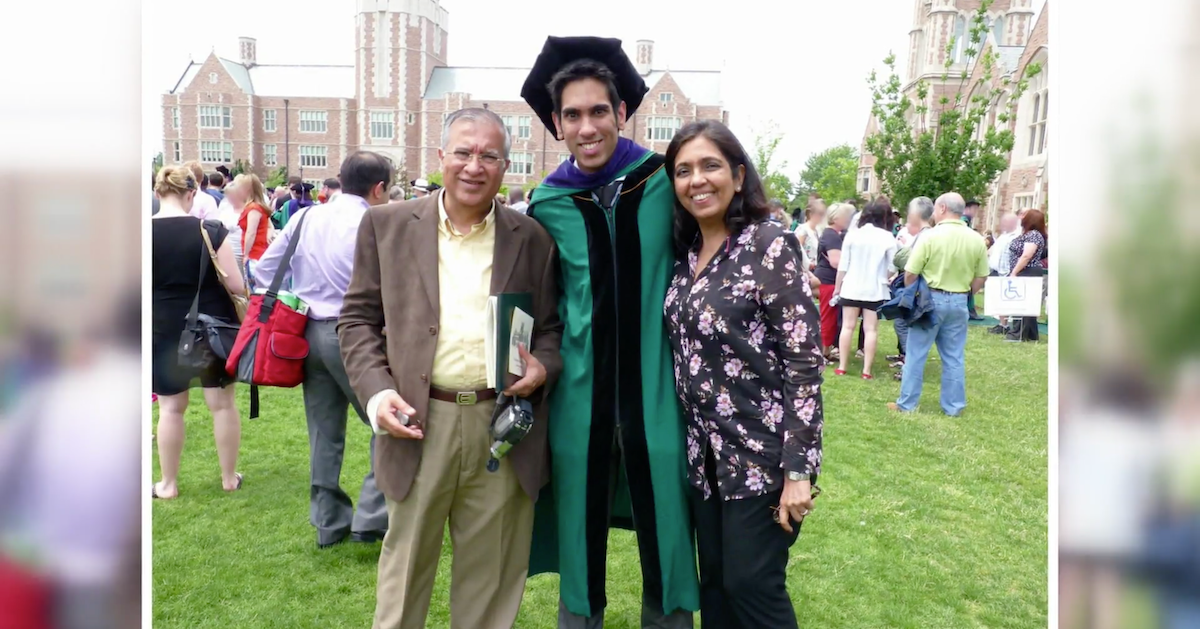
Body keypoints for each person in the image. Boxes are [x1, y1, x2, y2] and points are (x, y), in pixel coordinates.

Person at [338, 108, 563, 629]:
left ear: (507, 165)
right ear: (440, 157)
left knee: (490, 584)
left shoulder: (531, 238)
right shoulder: (386, 225)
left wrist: (542, 368)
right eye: (462, 152)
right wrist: (376, 395)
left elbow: (551, 328)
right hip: (418, 421)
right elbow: (356, 321)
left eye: (489, 155)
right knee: (404, 578)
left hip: (500, 427)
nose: (474, 166)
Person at [519, 36, 700, 627]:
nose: (587, 126)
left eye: (600, 110)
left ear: (622, 112)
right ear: (556, 123)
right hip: (579, 393)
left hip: (660, 390)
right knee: (577, 523)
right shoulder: (548, 202)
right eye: (572, 114)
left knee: (668, 524)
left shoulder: (666, 183)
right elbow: (533, 298)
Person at [662, 119, 823, 629]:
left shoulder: (769, 245)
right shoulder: (687, 255)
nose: (697, 180)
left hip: (762, 458)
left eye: (710, 165)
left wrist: (798, 472)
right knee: (716, 587)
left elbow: (803, 362)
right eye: (683, 170)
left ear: (736, 174)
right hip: (704, 458)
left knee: (752, 588)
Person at [253, 152, 393, 549]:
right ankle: (371, 516)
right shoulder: (373, 221)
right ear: (379, 188)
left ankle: (329, 524)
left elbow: (264, 271)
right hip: (355, 334)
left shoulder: (305, 216)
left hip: (305, 332)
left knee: (323, 433)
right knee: (388, 423)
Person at [150, 165, 246, 499]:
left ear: (158, 193)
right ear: (191, 194)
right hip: (211, 326)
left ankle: (168, 483)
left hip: (163, 326)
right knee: (222, 405)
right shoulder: (212, 230)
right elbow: (236, 284)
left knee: (170, 408)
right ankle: (228, 477)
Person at [888, 192, 988, 416]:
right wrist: (966, 292)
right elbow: (982, 275)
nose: (933, 212)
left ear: (942, 208)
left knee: (916, 354)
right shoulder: (976, 238)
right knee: (953, 356)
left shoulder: (930, 236)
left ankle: (907, 404)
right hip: (960, 300)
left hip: (930, 300)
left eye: (935, 208)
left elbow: (911, 272)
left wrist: (913, 292)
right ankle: (953, 407)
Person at [832, 199, 898, 379]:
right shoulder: (887, 237)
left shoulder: (853, 235)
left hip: (851, 286)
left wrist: (837, 288)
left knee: (847, 326)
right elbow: (894, 265)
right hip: (875, 288)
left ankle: (842, 366)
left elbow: (843, 266)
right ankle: (866, 370)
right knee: (871, 330)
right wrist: (884, 276)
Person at [888, 196, 935, 379]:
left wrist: (908, 288)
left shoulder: (925, 236)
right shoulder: (926, 234)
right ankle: (910, 364)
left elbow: (912, 264)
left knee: (904, 324)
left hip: (918, 287)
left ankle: (910, 367)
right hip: (921, 287)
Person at [815, 202, 855, 361]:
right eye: (846, 216)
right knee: (828, 317)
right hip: (828, 281)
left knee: (829, 317)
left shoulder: (831, 234)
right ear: (836, 217)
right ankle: (823, 352)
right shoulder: (832, 236)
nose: (848, 220)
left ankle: (825, 350)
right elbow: (836, 262)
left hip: (827, 280)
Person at [1004, 208, 1048, 342]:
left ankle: (1018, 333)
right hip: (1027, 270)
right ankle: (1030, 334)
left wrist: (1014, 272)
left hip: (1027, 271)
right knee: (1028, 304)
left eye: (1025, 216)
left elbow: (1027, 255)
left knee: (1022, 303)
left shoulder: (1033, 235)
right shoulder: (1029, 234)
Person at [986, 212, 1022, 334]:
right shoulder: (1003, 236)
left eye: (1005, 222)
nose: (1002, 225)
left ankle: (1006, 324)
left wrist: (1010, 272)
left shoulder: (1017, 236)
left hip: (1006, 272)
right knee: (998, 300)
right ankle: (1002, 324)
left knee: (1005, 300)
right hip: (996, 271)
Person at [235, 174, 272, 292]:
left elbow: (251, 232)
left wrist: (246, 254)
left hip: (255, 254)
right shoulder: (256, 207)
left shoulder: (254, 208)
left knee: (254, 290)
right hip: (256, 253)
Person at [792, 200, 825, 272]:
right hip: (806, 270)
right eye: (820, 214)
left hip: (817, 268)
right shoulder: (803, 229)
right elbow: (796, 249)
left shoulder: (818, 230)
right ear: (811, 214)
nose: (823, 217)